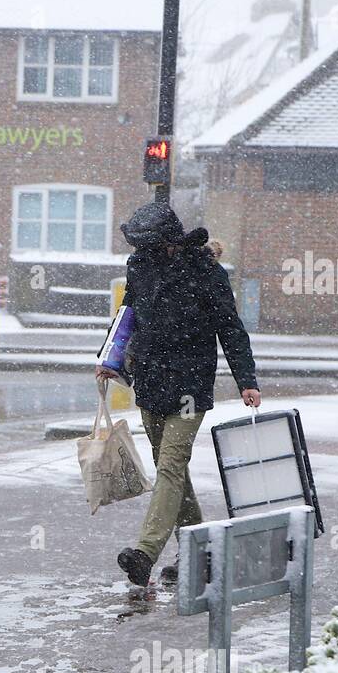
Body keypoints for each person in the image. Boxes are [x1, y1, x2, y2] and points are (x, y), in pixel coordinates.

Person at [97, 203, 260, 587]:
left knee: (170, 466)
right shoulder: (140, 266)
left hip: (189, 385)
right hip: (151, 380)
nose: (141, 252)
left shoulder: (207, 273)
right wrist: (110, 357)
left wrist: (246, 380)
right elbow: (128, 314)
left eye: (148, 246)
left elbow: (230, 329)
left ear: (169, 242)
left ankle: (144, 553)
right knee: (172, 470)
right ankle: (201, 553)